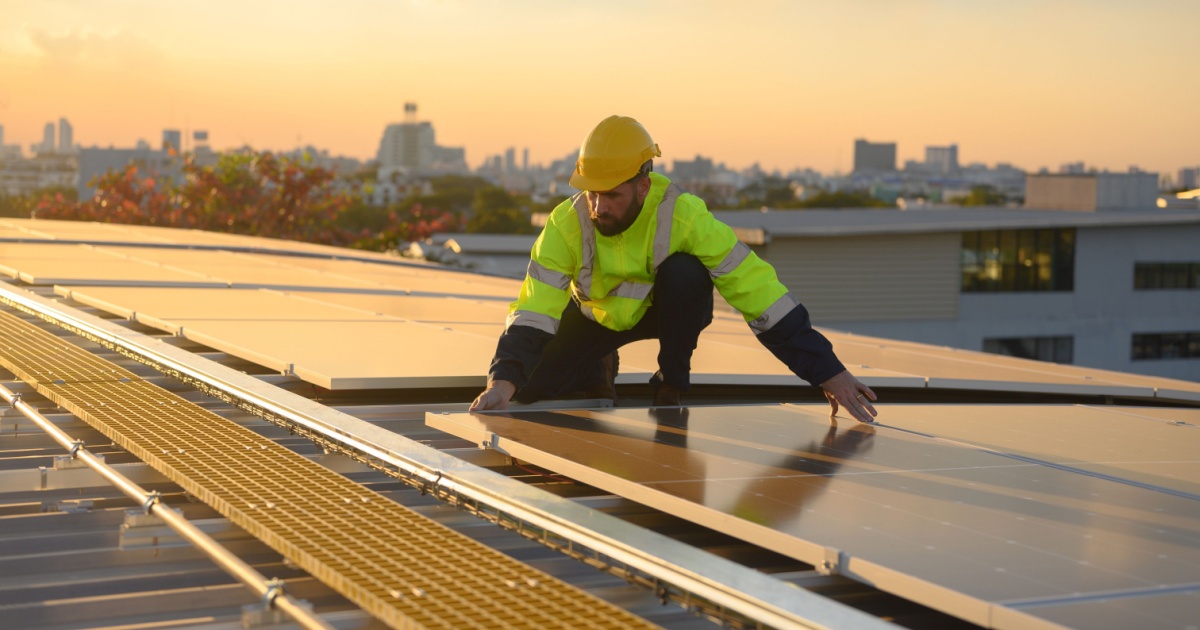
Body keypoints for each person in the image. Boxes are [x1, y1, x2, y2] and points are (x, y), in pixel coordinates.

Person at [470, 115, 878, 423]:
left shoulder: (682, 215)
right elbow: (535, 309)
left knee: (686, 272)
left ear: (643, 186)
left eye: (611, 196)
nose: (598, 207)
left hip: (665, 313)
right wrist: (502, 380)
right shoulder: (565, 224)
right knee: (528, 390)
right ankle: (599, 362)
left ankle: (671, 382)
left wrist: (827, 371)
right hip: (596, 317)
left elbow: (757, 291)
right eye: (592, 194)